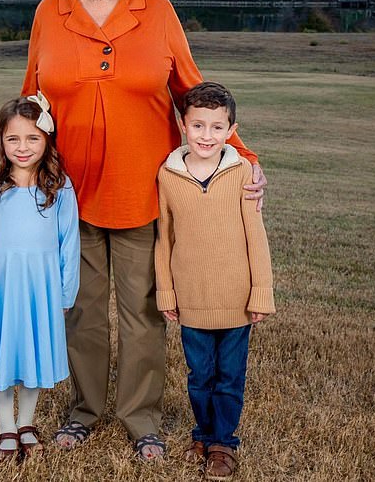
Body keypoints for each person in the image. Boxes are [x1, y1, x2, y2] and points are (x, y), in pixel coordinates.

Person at [0, 0, 267, 461]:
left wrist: (245, 157)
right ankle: (83, 412)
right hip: (66, 197)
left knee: (144, 314)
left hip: (141, 191)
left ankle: (142, 420)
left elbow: (191, 93)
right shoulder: (48, 13)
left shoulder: (156, 10)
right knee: (80, 310)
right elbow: (29, 109)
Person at [155, 82, 275, 480]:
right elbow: (164, 237)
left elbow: (255, 236)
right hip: (191, 297)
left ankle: (224, 442)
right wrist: (167, 291)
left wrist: (261, 292)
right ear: (183, 125)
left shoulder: (242, 172)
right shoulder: (168, 175)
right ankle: (202, 434)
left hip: (236, 298)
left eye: (217, 127)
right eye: (198, 126)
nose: (207, 136)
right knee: (199, 375)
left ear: (231, 129)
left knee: (229, 376)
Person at [0, 94, 80, 462]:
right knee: (3, 357)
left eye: (32, 138)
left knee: (32, 358)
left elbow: (69, 244)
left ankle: (26, 422)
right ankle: (6, 428)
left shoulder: (59, 189)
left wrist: (65, 294)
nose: (23, 147)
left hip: (41, 290)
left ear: (47, 141)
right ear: (0, 141)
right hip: (0, 288)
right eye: (13, 139)